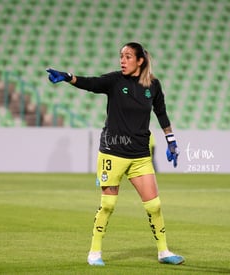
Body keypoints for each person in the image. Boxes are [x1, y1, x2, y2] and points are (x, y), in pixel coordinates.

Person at [46, 42, 183, 266]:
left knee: (154, 205)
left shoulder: (154, 85)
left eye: (128, 56)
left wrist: (171, 141)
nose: (122, 60)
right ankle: (94, 253)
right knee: (108, 205)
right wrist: (68, 76)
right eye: (121, 56)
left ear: (141, 61)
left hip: (139, 155)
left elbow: (161, 113)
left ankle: (163, 252)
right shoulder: (114, 81)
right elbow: (90, 83)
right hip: (113, 152)